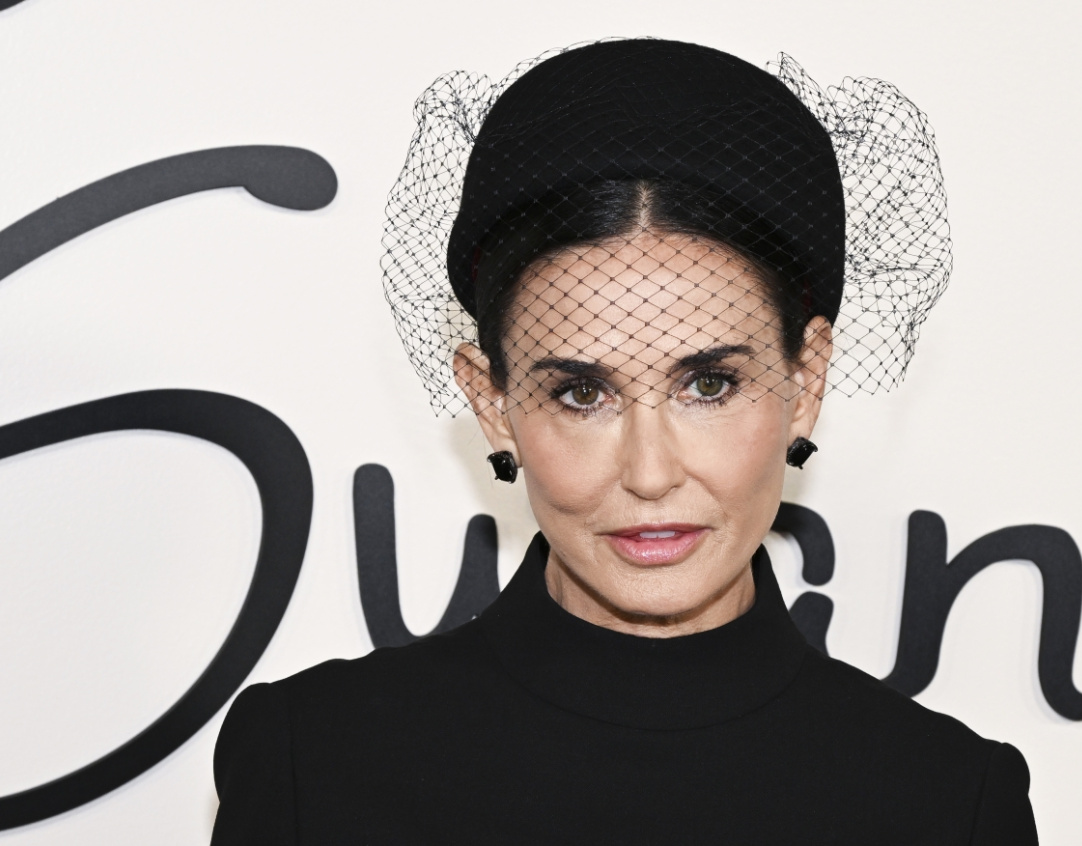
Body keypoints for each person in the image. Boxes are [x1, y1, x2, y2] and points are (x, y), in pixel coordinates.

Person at [211, 39, 1038, 844]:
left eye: (709, 385)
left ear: (806, 381)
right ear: (493, 403)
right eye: (582, 393)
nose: (650, 473)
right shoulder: (314, 761)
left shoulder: (947, 804)